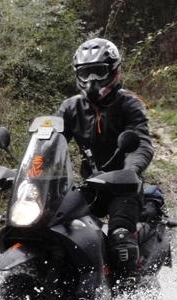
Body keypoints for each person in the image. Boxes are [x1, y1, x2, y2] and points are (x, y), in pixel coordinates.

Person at [57, 38, 154, 280]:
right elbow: (51, 142)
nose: (92, 80)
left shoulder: (129, 104)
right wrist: (32, 173)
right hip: (88, 184)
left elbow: (141, 143)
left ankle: (130, 297)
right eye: (86, 73)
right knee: (54, 227)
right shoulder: (70, 108)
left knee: (120, 241)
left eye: (98, 72)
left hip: (123, 187)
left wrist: (131, 171)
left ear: (114, 71)